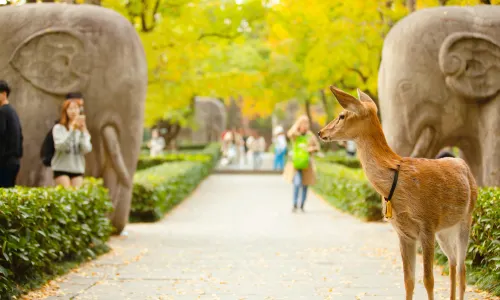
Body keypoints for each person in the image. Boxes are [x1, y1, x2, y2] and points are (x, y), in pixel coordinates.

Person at [51, 92, 92, 188]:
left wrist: (82, 132)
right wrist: (72, 130)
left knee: (76, 198)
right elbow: (60, 146)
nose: (73, 111)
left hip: (77, 169)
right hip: (61, 168)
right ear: (65, 111)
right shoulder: (58, 128)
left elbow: (86, 149)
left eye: (76, 108)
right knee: (66, 195)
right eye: (70, 108)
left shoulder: (83, 130)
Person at [283, 115, 320, 212]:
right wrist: (297, 124)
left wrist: (310, 149)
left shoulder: (310, 136)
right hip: (296, 164)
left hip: (307, 164)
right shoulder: (295, 135)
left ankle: (302, 204)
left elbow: (317, 147)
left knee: (305, 184)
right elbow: (289, 134)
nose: (305, 126)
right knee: (297, 183)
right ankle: (294, 203)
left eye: (306, 124)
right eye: (303, 124)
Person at [0, 80, 23, 188]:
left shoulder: (3, 112)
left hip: (4, 162)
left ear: (4, 94)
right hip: (14, 162)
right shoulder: (12, 112)